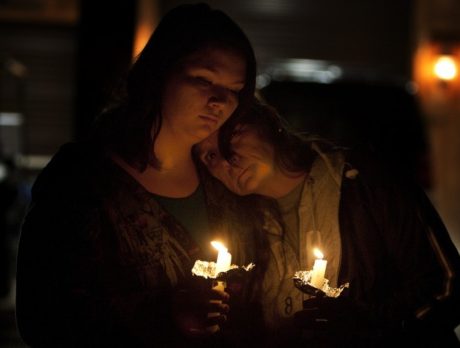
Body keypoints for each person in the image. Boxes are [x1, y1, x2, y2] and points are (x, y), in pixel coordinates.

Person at [15, 3, 260, 347]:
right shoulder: (84, 178)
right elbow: (42, 316)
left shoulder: (224, 181)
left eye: (234, 90)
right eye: (204, 80)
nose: (220, 101)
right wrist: (165, 316)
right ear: (160, 72)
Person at [196, 98, 460, 347]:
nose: (226, 159)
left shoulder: (365, 183)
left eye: (231, 134)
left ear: (267, 123)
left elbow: (447, 287)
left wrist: (367, 327)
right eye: (209, 156)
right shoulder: (241, 233)